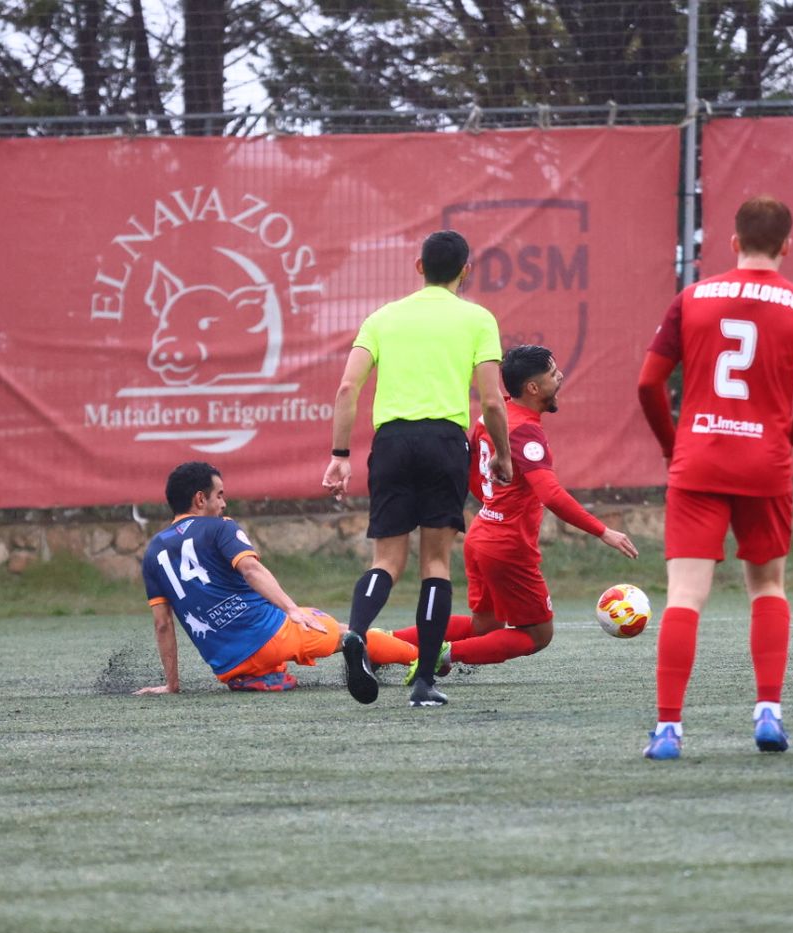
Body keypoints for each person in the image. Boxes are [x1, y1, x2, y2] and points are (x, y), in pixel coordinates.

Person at [636, 195, 793, 760]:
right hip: (764, 463)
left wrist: (674, 446)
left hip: (697, 460)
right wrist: (783, 439)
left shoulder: (692, 298)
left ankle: (669, 728)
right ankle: (768, 713)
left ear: (732, 243)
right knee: (767, 586)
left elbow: (649, 385)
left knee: (684, 596)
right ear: (787, 246)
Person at [322, 230, 513, 709]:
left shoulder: (383, 318)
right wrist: (503, 454)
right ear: (465, 270)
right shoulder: (477, 318)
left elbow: (347, 389)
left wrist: (340, 455)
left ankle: (357, 633)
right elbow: (491, 399)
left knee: (386, 560)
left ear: (417, 266)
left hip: (391, 442)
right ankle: (424, 682)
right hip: (444, 441)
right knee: (435, 564)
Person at [392, 344, 638, 679]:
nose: (560, 376)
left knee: (485, 625)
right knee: (538, 633)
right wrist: (603, 531)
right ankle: (439, 656)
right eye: (553, 374)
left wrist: (493, 503)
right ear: (533, 388)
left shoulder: (493, 416)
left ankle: (387, 646)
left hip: (482, 534)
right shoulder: (525, 431)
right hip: (507, 546)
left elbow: (472, 474)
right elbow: (550, 494)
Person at [134, 461, 420, 695]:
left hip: (227, 664)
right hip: (270, 636)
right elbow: (251, 569)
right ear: (200, 498)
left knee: (283, 650)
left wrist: (172, 685)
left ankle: (261, 676)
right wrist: (291, 610)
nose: (224, 503)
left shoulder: (152, 553)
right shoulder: (220, 527)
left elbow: (162, 624)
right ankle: (424, 659)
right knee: (348, 634)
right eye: (219, 494)